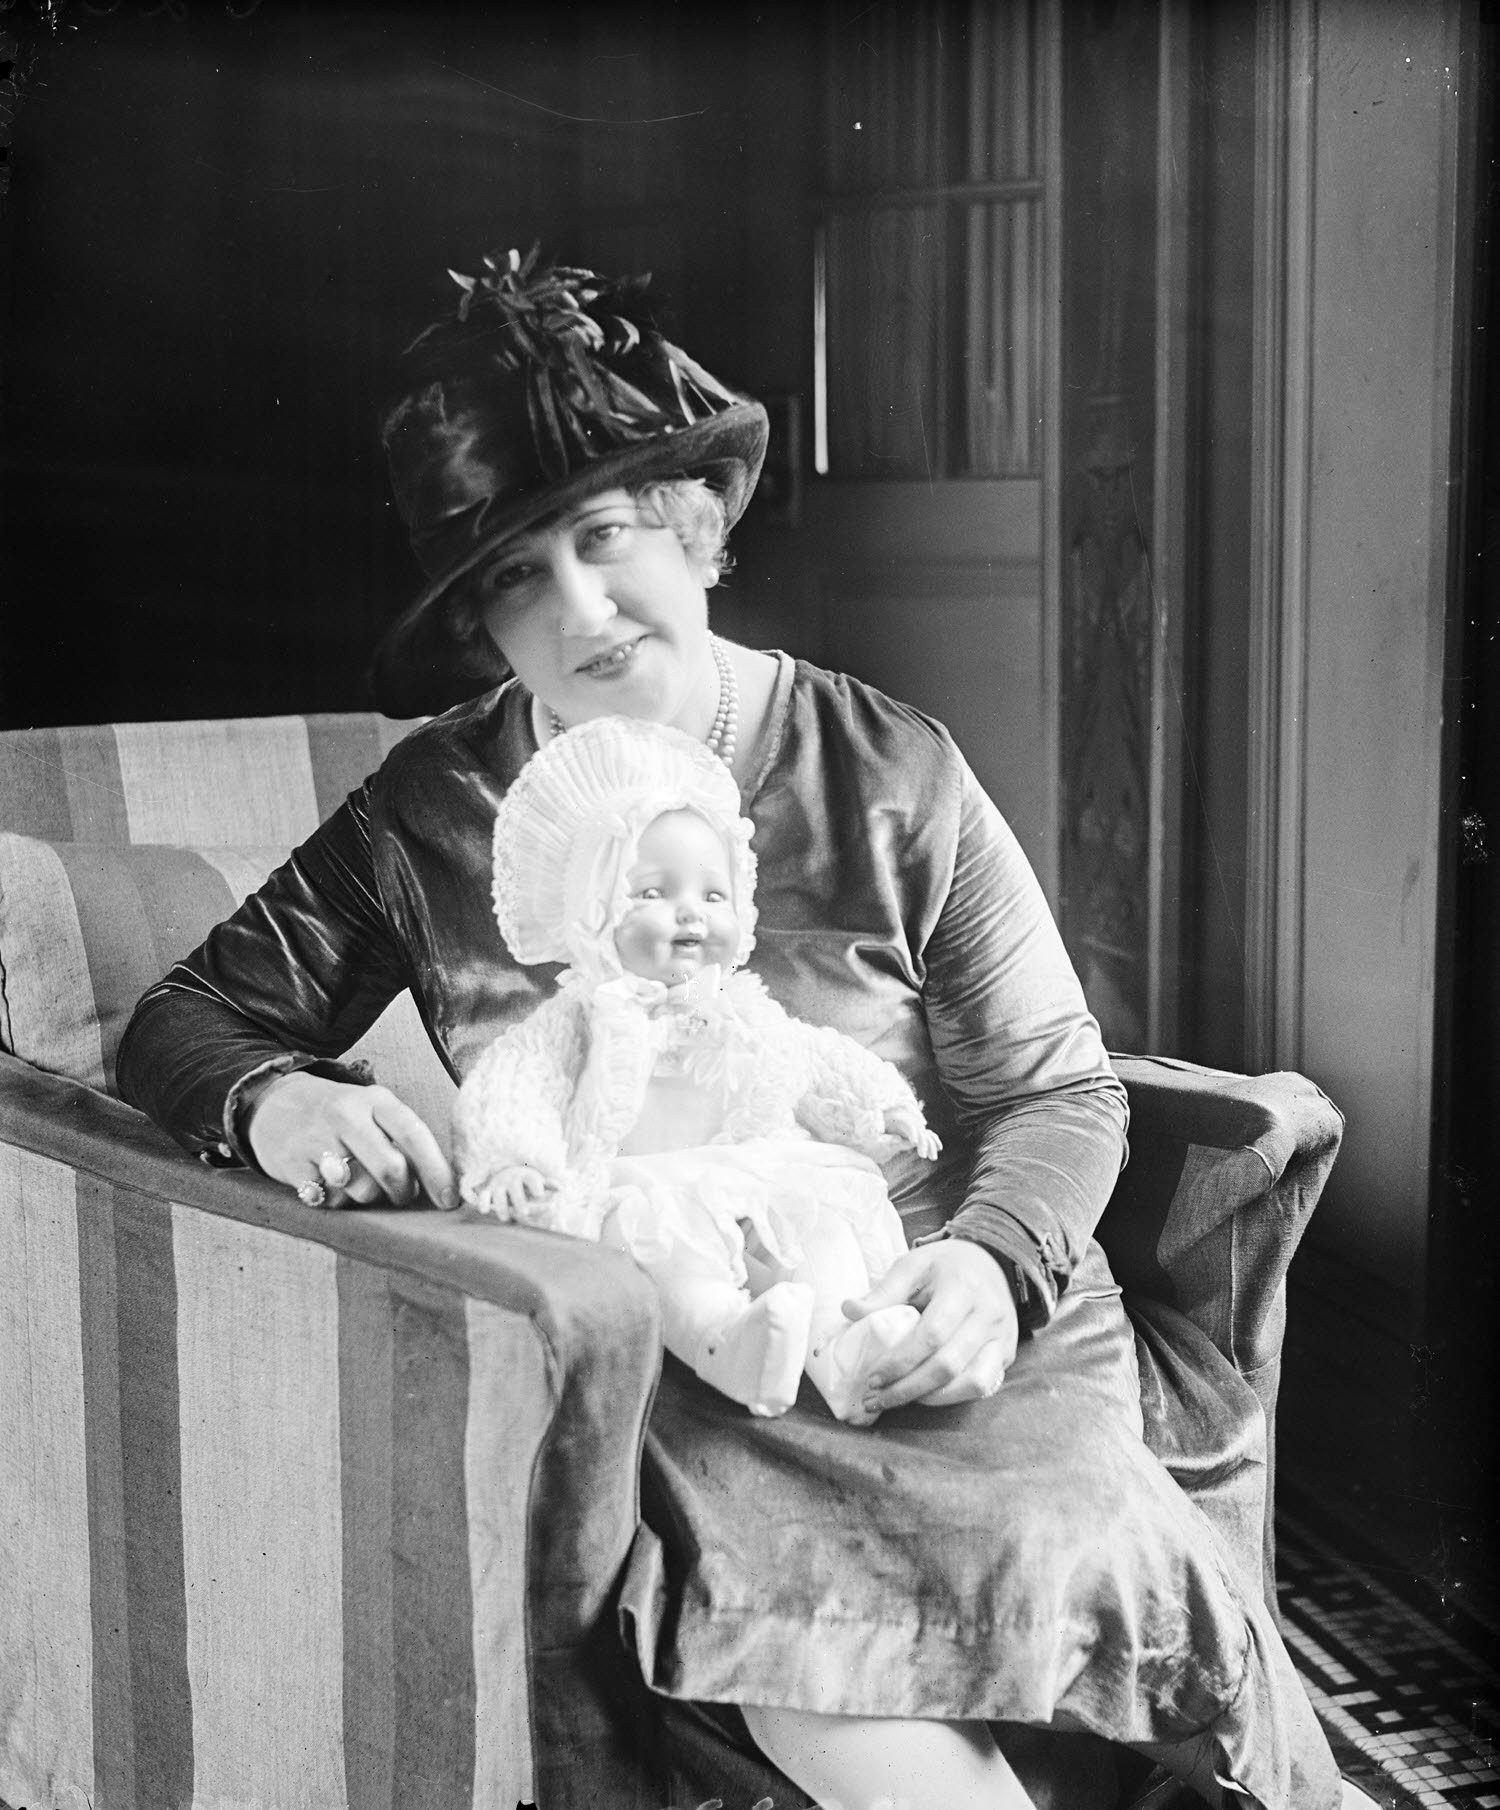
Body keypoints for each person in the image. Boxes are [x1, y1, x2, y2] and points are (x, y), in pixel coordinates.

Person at [118, 244, 1358, 1810]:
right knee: (829, 1690)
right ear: (474, 624)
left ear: (695, 527)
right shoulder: (425, 810)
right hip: (687, 1353)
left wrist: (984, 1266)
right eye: (513, 576)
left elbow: (1054, 1086)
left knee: (1081, 1589)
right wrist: (274, 1099)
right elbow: (187, 1016)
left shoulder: (888, 763)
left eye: (608, 533)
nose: (578, 607)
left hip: (931, 1301)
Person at [454, 713, 942, 1424]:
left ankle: (844, 1346)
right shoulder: (585, 1017)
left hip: (759, 1176)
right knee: (663, 1254)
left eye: (712, 896)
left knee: (823, 1229)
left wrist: (881, 1109)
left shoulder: (744, 1009)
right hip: (643, 1185)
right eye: (653, 892)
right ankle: (727, 1342)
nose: (690, 914)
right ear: (594, 910)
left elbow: (813, 1059)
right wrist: (515, 1161)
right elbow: (514, 1084)